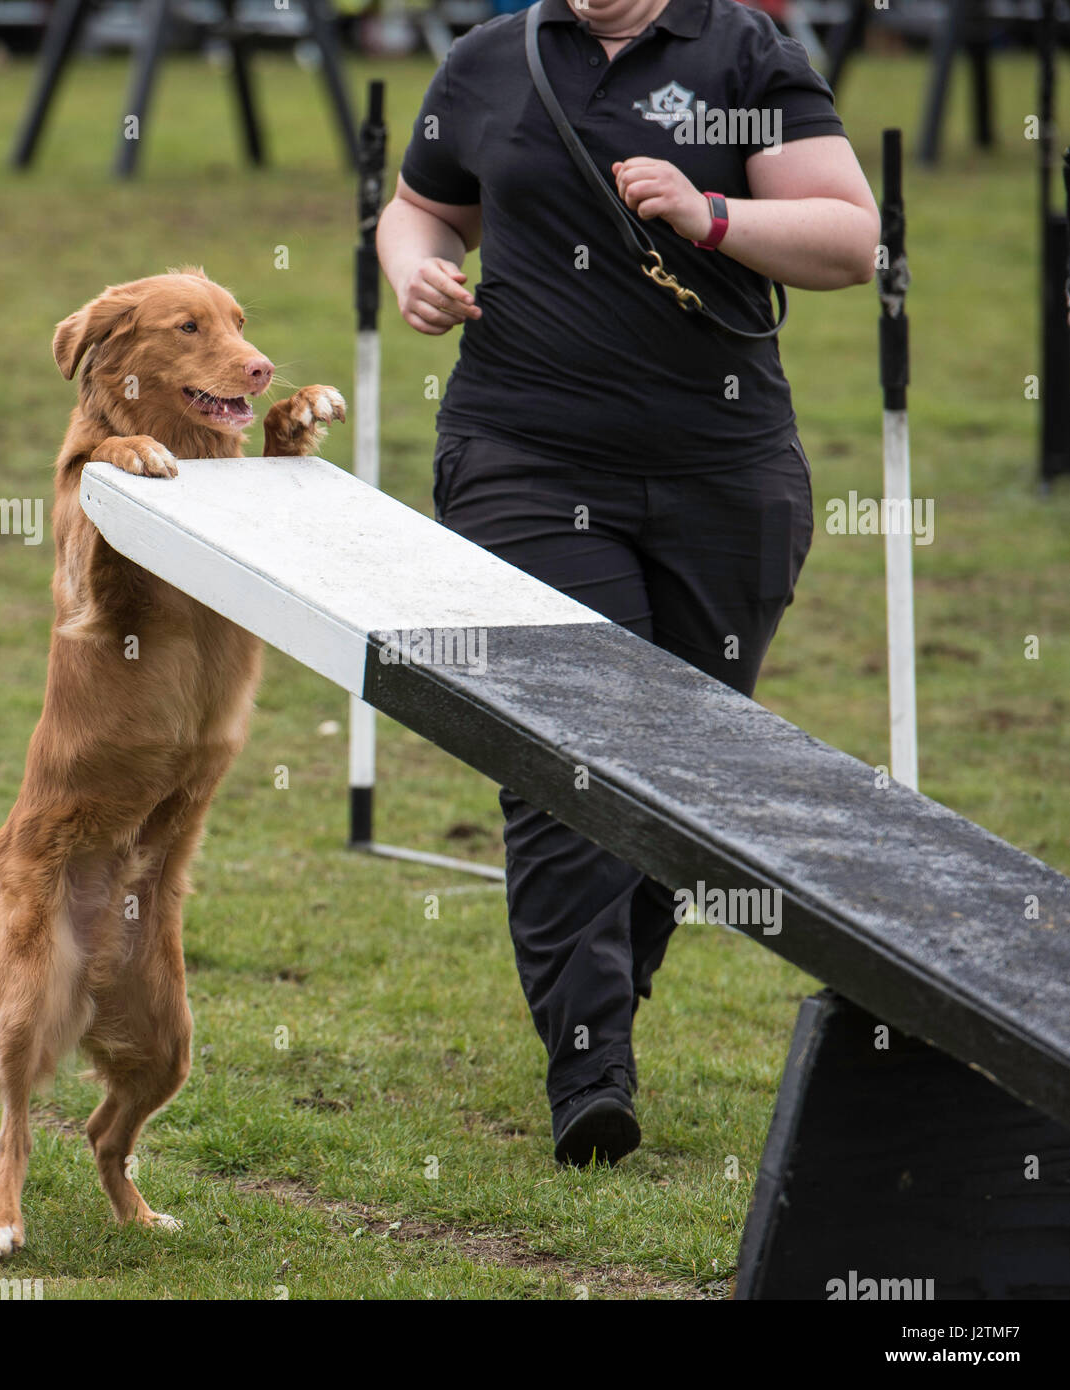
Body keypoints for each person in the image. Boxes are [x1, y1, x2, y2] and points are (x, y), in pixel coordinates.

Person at [377, 0, 879, 1167]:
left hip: (724, 464)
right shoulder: (490, 59)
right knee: (562, 747)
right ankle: (589, 1063)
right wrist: (420, 272)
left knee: (686, 763)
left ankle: (606, 997)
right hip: (521, 455)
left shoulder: (744, 54)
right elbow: (421, 207)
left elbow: (851, 242)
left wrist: (712, 215)